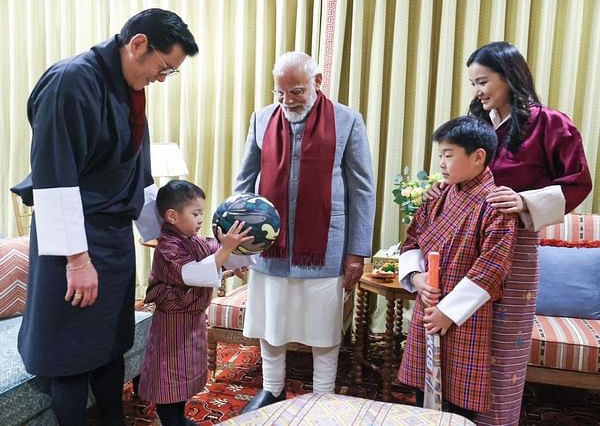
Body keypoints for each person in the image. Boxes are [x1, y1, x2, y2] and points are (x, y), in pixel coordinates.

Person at [11, 9, 199, 425]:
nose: (161, 78)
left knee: (112, 344)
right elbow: (54, 176)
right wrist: (77, 261)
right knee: (72, 351)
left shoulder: (131, 87)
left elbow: (140, 173)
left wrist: (163, 238)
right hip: (73, 240)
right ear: (137, 45)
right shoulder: (71, 81)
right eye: (163, 67)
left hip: (112, 240)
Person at [428, 41, 592, 425]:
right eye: (473, 84)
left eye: (483, 81)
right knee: (459, 335)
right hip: (466, 245)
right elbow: (458, 172)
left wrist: (524, 202)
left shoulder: (552, 124)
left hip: (515, 249)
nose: (478, 92)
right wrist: (442, 187)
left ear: (509, 75)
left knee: (503, 349)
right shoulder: (476, 127)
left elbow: (578, 183)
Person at [234, 51, 375, 412]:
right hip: (270, 244)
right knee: (272, 318)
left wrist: (357, 251)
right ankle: (272, 388)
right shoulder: (261, 118)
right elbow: (244, 183)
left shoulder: (347, 120)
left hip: (326, 242)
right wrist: (236, 237)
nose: (286, 101)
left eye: (295, 91)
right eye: (280, 92)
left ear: (318, 82)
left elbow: (362, 189)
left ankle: (323, 395)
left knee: (323, 323)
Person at [396, 116, 518, 420]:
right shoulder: (439, 196)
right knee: (422, 393)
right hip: (429, 304)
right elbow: (411, 239)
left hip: (465, 316)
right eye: (440, 156)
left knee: (459, 402)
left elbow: (493, 266)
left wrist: (448, 313)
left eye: (448, 155)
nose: (441, 164)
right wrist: (417, 276)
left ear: (478, 157)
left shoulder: (495, 204)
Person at [137, 180, 252, 426]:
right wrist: (225, 251)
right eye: (195, 213)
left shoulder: (195, 240)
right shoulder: (167, 247)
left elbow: (215, 255)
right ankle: (171, 420)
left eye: (202, 212)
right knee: (169, 377)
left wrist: (234, 262)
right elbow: (194, 273)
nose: (201, 219)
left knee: (184, 376)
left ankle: (178, 418)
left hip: (192, 321)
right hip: (172, 326)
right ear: (172, 216)